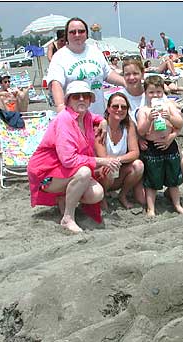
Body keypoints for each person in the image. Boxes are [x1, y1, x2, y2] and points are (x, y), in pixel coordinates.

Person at [27, 81, 121, 233]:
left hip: (62, 170)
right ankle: (68, 217)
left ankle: (64, 198)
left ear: (91, 100)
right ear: (68, 100)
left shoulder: (86, 117)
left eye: (86, 96)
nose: (82, 99)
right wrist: (102, 161)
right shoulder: (65, 120)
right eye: (76, 96)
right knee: (84, 172)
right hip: (45, 174)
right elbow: (69, 160)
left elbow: (95, 117)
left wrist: (102, 121)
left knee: (96, 193)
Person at [120, 59, 183, 197]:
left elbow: (177, 121)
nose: (131, 78)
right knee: (142, 199)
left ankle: (170, 190)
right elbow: (119, 125)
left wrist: (172, 136)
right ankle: (137, 184)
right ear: (123, 75)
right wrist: (137, 138)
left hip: (162, 142)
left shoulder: (154, 91)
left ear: (143, 74)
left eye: (135, 73)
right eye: (127, 74)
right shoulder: (120, 96)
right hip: (137, 146)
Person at [48, 17, 126, 116]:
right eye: (72, 32)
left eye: (81, 31)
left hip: (98, 116)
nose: (77, 35)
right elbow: (56, 84)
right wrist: (60, 107)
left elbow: (108, 74)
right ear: (67, 35)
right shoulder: (59, 57)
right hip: (74, 118)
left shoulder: (95, 52)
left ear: (86, 34)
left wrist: (125, 82)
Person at [136, 75, 183, 217]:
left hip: (169, 146)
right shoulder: (144, 110)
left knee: (173, 178)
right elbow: (141, 131)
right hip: (152, 148)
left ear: (163, 92)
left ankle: (177, 204)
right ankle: (151, 208)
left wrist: (169, 117)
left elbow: (180, 123)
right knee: (152, 180)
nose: (155, 95)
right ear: (145, 93)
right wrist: (149, 120)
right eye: (151, 92)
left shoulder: (169, 106)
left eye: (158, 92)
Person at [94, 93, 145, 208]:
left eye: (124, 107)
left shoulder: (128, 125)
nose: (119, 110)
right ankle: (102, 197)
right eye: (115, 106)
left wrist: (117, 159)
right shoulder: (100, 128)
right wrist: (112, 162)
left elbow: (135, 152)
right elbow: (103, 157)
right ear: (108, 108)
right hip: (102, 173)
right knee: (106, 167)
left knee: (138, 165)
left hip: (118, 170)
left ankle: (123, 195)